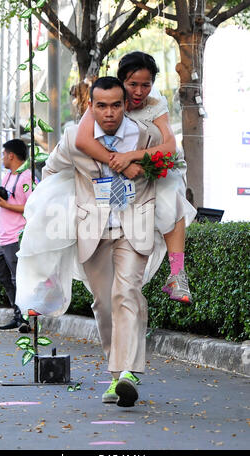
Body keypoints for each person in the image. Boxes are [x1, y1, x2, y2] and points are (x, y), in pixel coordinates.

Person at [37, 76, 161, 407]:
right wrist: (53, 215)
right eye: (102, 106)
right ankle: (116, 369)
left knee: (126, 293)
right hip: (93, 231)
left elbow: (167, 173)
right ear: (91, 107)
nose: (109, 113)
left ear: (126, 105)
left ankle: (126, 375)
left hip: (134, 228)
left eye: (116, 105)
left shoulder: (146, 136)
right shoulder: (73, 140)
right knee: (104, 303)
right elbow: (50, 174)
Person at [75, 51, 197, 304]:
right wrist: (119, 164)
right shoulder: (106, 99)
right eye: (133, 85)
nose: (140, 91)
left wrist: (132, 156)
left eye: (146, 85)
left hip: (147, 171)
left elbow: (169, 146)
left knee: (173, 205)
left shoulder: (155, 106)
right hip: (102, 175)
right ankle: (51, 280)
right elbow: (82, 141)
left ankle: (177, 275)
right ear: (120, 83)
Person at [0, 139, 33, 331]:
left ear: (11, 155)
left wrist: (6, 205)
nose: (2, 158)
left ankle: (24, 318)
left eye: (3, 154)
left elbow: (32, 206)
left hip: (16, 236)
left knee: (19, 279)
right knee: (3, 276)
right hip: (2, 236)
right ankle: (16, 314)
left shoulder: (27, 177)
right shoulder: (7, 176)